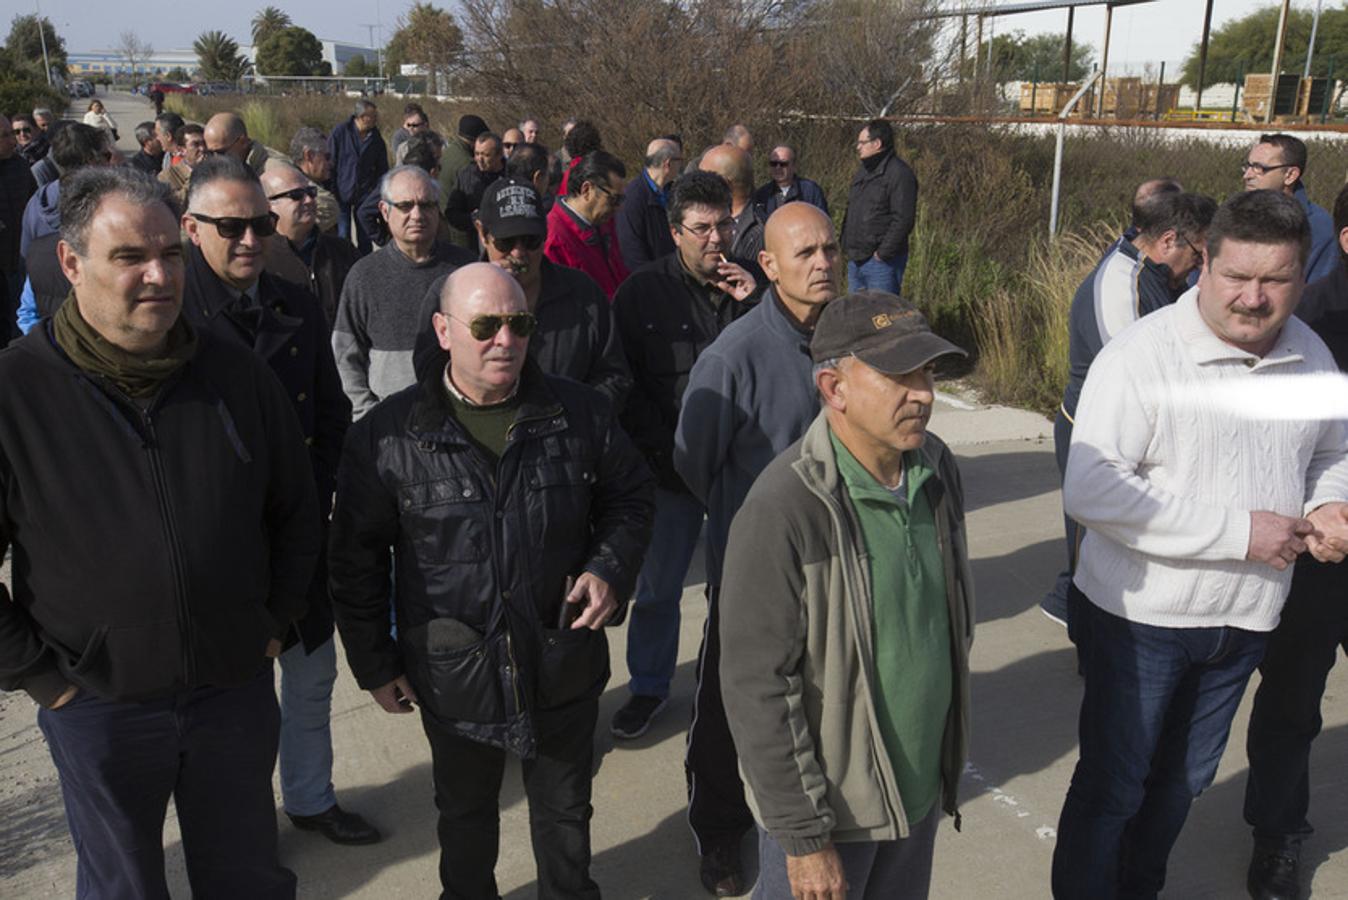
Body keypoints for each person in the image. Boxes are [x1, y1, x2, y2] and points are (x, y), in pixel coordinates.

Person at [0, 165, 319, 900]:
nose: (158, 276)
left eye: (170, 255)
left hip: (232, 693)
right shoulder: (18, 392)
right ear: (71, 264)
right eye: (129, 258)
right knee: (124, 888)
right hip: (98, 706)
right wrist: (44, 678)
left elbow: (298, 508)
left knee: (246, 879)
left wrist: (272, 623)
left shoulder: (234, 373)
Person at [1050, 189, 1348, 899]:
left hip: (1244, 621)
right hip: (1141, 621)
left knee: (1181, 785)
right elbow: (1091, 490)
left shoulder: (1310, 355)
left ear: (1301, 277)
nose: (1252, 297)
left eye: (1274, 280)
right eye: (1236, 276)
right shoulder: (1142, 357)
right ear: (1203, 263)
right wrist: (1243, 533)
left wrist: (1330, 499)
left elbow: (1331, 447)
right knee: (1115, 789)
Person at [328, 262, 655, 899]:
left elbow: (631, 498)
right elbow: (355, 561)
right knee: (465, 818)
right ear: (443, 330)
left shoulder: (580, 412)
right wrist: (374, 663)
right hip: (456, 673)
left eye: (518, 323)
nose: (505, 339)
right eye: (485, 324)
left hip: (561, 655)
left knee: (565, 816)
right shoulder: (387, 437)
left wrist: (608, 568)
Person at [721, 290, 972, 900]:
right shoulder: (783, 507)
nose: (924, 393)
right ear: (834, 388)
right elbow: (758, 690)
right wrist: (805, 840)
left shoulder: (935, 469)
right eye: (899, 375)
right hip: (834, 817)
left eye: (928, 372)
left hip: (915, 797)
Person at [179, 155, 379, 848]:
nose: (249, 239)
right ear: (190, 227)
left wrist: (313, 498)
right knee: (231, 700)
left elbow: (329, 413)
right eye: (230, 226)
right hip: (215, 544)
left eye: (260, 224)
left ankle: (310, 798)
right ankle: (237, 824)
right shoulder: (172, 314)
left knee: (313, 672)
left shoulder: (295, 300)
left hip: (296, 533)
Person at [674, 202, 842, 896]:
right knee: (727, 714)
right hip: (755, 581)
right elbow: (693, 462)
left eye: (830, 248)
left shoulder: (855, 340)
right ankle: (720, 835)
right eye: (804, 254)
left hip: (841, 577)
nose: (824, 263)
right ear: (768, 266)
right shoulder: (733, 358)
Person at [610, 171, 760, 741]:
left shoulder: (753, 288)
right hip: (667, 474)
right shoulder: (640, 294)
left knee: (741, 585)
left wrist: (757, 304)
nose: (716, 239)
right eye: (702, 228)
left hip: (738, 473)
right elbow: (621, 385)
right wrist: (662, 454)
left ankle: (732, 685)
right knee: (657, 590)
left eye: (724, 224)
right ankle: (648, 687)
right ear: (675, 233)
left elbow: (782, 360)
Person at [1041, 191, 1217, 627]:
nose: (1199, 266)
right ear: (1169, 240)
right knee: (1094, 550)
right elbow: (1133, 384)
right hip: (1097, 435)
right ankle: (1085, 630)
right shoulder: (1123, 287)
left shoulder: (1152, 272)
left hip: (1121, 433)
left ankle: (1077, 611)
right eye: (1198, 254)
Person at [1243, 181, 1348, 900]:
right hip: (1320, 552)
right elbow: (1274, 450)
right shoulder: (1309, 328)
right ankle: (1278, 835)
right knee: (1292, 704)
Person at [412, 177, 632, 406]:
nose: (518, 253)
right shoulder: (448, 294)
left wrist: (571, 417)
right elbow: (428, 376)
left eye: (531, 240)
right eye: (506, 242)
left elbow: (615, 375)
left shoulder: (584, 295)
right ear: (482, 234)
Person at [332, 165, 474, 419]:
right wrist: (368, 416)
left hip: (460, 418)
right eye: (406, 206)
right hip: (390, 424)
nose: (417, 215)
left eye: (427, 205)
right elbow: (345, 357)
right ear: (385, 211)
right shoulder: (364, 275)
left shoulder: (466, 268)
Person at [262, 161, 360, 331]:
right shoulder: (259, 259)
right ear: (268, 206)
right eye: (296, 195)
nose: (308, 200)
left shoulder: (343, 251)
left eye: (311, 192)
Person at [1242, 133, 1336, 283]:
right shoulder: (1234, 216)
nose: (1247, 175)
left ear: (1290, 175)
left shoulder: (1319, 230)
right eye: (1248, 166)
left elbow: (1317, 296)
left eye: (1259, 168)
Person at [842, 118, 917, 294]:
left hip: (882, 263)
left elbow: (903, 219)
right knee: (857, 314)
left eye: (862, 142)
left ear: (876, 143)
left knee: (882, 317)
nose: (858, 147)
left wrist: (882, 254)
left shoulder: (899, 174)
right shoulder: (863, 171)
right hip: (855, 259)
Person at [544, 150, 630, 301]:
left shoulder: (601, 223)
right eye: (614, 199)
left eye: (621, 199)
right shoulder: (554, 239)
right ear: (586, 190)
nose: (619, 208)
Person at [328, 100, 388, 255]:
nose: (376, 119)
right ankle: (344, 264)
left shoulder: (376, 138)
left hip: (365, 194)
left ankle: (364, 265)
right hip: (341, 192)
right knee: (343, 233)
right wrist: (332, 189)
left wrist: (376, 191)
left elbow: (383, 169)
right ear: (361, 117)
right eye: (372, 116)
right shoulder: (340, 132)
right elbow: (330, 162)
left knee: (365, 235)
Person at [616, 137, 683, 271]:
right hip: (652, 280)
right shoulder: (633, 198)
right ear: (668, 164)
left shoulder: (672, 192)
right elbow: (632, 252)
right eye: (679, 160)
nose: (681, 165)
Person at [698, 144, 764, 266]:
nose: (696, 183)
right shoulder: (700, 220)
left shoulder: (758, 234)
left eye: (703, 177)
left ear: (722, 182)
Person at [0, 115, 36, 340]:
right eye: (4, 136)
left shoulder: (20, 166)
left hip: (18, 264)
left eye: (10, 134)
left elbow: (35, 205)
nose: (12, 141)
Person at [445, 131, 506, 254]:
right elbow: (452, 213)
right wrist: (473, 220)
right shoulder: (466, 176)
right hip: (476, 247)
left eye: (486, 155)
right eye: (477, 154)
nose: (480, 159)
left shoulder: (512, 175)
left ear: (499, 155)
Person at [439, 114, 490, 247]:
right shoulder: (467, 164)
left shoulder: (448, 152)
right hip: (461, 231)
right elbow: (475, 200)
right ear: (476, 141)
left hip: (444, 222)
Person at [753, 143, 829, 219]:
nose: (778, 168)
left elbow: (823, 222)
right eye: (774, 163)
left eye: (783, 164)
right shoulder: (762, 195)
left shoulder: (811, 191)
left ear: (794, 166)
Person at [289, 125, 340, 234]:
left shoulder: (322, 185)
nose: (330, 163)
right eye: (327, 156)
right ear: (309, 155)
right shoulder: (291, 192)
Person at [160, 123, 206, 207]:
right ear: (181, 150)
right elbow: (176, 205)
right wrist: (196, 174)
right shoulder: (167, 176)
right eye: (195, 144)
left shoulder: (214, 169)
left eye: (204, 143)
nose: (202, 148)